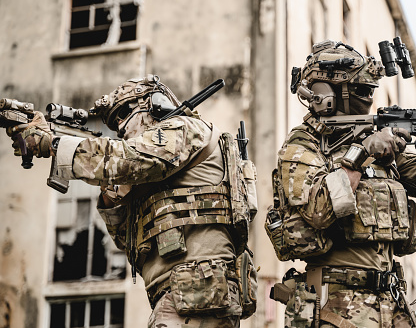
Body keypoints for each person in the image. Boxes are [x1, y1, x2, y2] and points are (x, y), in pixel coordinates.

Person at [265, 40, 416, 327]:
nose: (367, 97)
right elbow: (319, 211)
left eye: (369, 90)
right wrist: (362, 152)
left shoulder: (379, 143)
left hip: (390, 304)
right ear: (324, 93)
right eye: (359, 90)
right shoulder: (304, 145)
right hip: (336, 306)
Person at [8, 75, 258, 328]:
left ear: (156, 104)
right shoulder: (153, 174)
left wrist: (55, 144)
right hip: (182, 292)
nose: (121, 127)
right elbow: (126, 240)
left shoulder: (183, 128)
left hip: (198, 288)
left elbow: (131, 159)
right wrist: (111, 196)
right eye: (114, 122)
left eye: (125, 113)